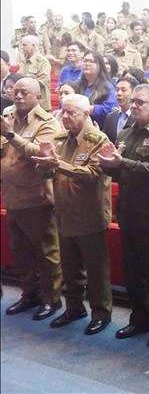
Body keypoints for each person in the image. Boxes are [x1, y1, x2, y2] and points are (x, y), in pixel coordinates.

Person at [97, 84, 149, 347]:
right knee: (133, 272)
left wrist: (123, 163)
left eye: (140, 102)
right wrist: (109, 166)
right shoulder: (126, 133)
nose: (133, 106)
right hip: (129, 213)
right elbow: (121, 172)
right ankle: (139, 318)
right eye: (132, 102)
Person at [31, 94, 113, 335]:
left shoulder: (98, 140)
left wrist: (58, 164)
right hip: (64, 212)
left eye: (71, 113)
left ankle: (101, 312)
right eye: (63, 112)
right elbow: (45, 174)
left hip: (90, 214)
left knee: (96, 269)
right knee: (69, 267)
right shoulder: (59, 139)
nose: (65, 117)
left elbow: (91, 174)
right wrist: (44, 164)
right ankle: (74, 307)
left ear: (86, 114)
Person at [1, 77, 63, 320]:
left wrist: (10, 135)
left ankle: (51, 299)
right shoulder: (8, 116)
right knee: (21, 251)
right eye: (15, 92)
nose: (17, 97)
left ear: (38, 97)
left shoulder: (46, 123)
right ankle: (30, 294)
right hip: (12, 196)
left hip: (36, 198)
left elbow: (42, 154)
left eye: (23, 93)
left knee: (46, 252)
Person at [78, 51, 118, 128]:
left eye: (91, 61)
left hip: (100, 129)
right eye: (85, 61)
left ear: (100, 66)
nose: (87, 64)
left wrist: (88, 109)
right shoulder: (77, 85)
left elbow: (110, 109)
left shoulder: (108, 86)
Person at [17, 35, 52, 112]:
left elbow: (41, 83)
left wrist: (25, 86)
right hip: (25, 104)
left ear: (33, 45)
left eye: (24, 45)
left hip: (40, 106)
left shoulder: (43, 62)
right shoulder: (23, 62)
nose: (22, 47)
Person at [102, 75, 138, 144]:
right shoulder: (110, 117)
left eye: (123, 90)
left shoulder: (139, 117)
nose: (119, 93)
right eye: (117, 90)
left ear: (134, 93)